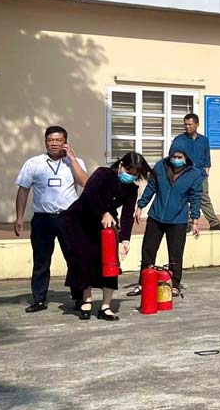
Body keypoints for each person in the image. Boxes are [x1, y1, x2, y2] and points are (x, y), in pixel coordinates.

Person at [62, 152, 152, 321]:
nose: (130, 176)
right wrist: (104, 212)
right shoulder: (102, 174)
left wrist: (125, 240)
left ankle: (105, 306)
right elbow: (90, 195)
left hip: (106, 225)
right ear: (120, 165)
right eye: (128, 170)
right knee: (84, 260)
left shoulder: (131, 189)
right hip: (81, 221)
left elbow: (126, 215)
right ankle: (86, 300)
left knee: (110, 262)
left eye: (134, 174)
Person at [13, 126, 90, 313]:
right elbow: (23, 190)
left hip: (69, 219)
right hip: (42, 219)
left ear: (65, 142)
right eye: (50, 140)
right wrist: (19, 217)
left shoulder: (75, 162)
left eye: (58, 140)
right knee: (41, 260)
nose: (54, 143)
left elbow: (85, 183)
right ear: (45, 142)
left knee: (74, 259)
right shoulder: (34, 163)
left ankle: (80, 298)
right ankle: (39, 300)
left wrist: (71, 158)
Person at [135, 149, 203, 297]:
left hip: (178, 220)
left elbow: (195, 198)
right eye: (174, 156)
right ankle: (143, 283)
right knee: (148, 250)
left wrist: (195, 220)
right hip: (156, 216)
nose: (176, 159)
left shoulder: (194, 174)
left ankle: (175, 284)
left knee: (176, 254)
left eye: (179, 157)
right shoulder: (160, 166)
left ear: (186, 158)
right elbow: (151, 187)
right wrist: (141, 205)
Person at [169, 113, 220, 234]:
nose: (187, 127)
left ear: (197, 124)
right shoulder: (179, 140)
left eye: (190, 124)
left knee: (204, 199)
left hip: (200, 176)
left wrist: (206, 173)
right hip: (184, 176)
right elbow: (172, 158)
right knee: (183, 199)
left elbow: (207, 158)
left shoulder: (204, 140)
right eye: (185, 124)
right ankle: (186, 224)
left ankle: (214, 223)